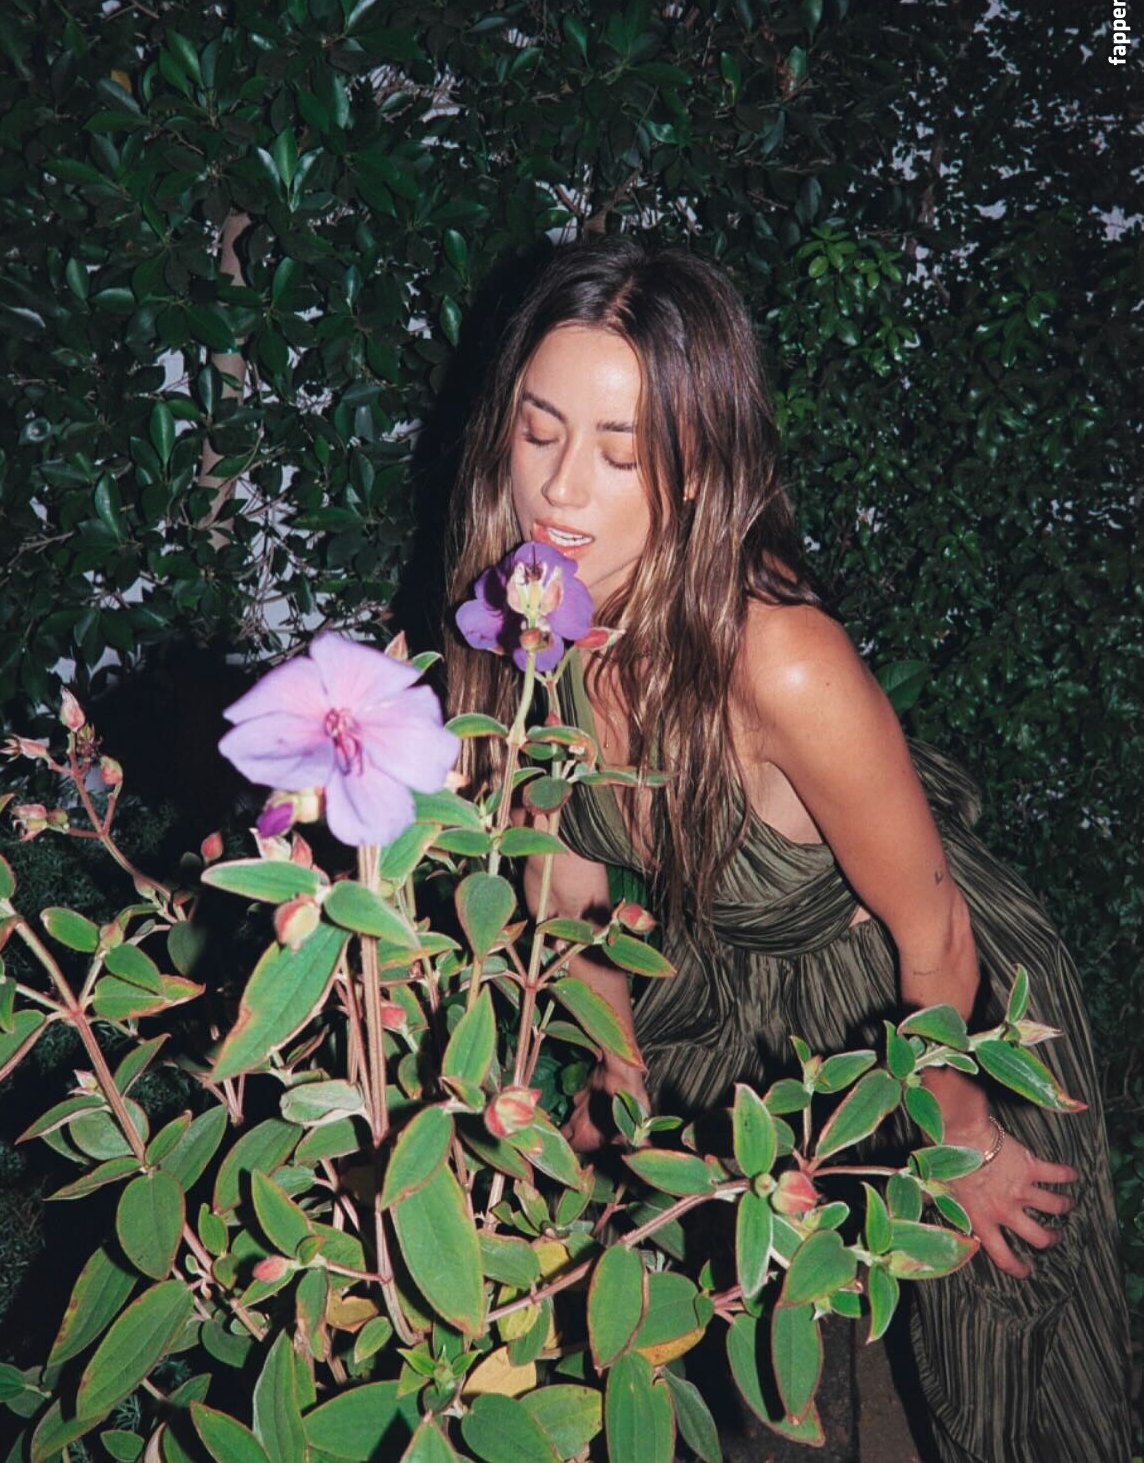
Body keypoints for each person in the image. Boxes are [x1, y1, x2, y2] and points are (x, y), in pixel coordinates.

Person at [442, 237, 1132, 1462]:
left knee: (997, 1350)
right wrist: (613, 1065)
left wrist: (959, 1122)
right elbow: (568, 879)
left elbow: (936, 930)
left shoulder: (782, 661)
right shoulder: (524, 624)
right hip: (731, 989)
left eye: (620, 453)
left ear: (699, 469)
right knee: (719, 1311)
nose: (560, 489)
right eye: (539, 431)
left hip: (927, 996)